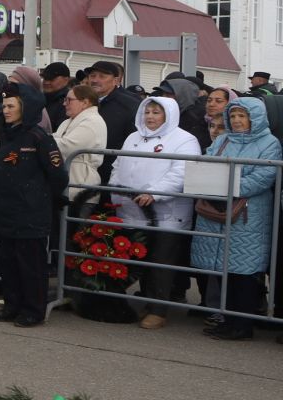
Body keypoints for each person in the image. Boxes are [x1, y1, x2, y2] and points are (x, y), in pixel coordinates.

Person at [188, 98, 282, 339]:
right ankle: (227, 319)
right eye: (233, 116)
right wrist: (218, 184)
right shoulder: (223, 139)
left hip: (248, 216)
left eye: (242, 116)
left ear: (255, 117)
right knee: (225, 272)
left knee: (245, 274)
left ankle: (242, 325)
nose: (237, 121)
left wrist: (223, 186)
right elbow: (207, 163)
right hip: (219, 211)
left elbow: (264, 176)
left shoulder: (269, 143)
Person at [113, 95, 200, 330]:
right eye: (147, 112)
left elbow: (181, 173)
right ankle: (149, 300)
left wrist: (154, 193)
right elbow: (118, 165)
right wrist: (115, 191)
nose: (150, 117)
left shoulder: (185, 140)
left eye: (156, 112)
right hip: (132, 210)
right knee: (142, 256)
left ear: (168, 115)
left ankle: (159, 309)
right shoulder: (133, 137)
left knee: (161, 260)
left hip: (167, 214)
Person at [0, 86, 67, 327]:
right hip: (6, 209)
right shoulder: (6, 134)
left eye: (11, 106)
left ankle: (33, 310)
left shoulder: (39, 138)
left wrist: (39, 197)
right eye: (4, 106)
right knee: (8, 262)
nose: (5, 110)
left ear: (25, 108)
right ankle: (12, 305)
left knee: (31, 265)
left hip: (31, 212)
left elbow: (58, 175)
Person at [85, 60, 142, 184]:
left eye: (102, 76)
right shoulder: (81, 101)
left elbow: (134, 140)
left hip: (112, 171)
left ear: (116, 81)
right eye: (92, 76)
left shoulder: (129, 105)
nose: (95, 80)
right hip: (85, 170)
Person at [53, 82, 108, 209]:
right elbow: (54, 141)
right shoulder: (68, 121)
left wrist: (41, 140)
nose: (64, 103)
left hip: (80, 185)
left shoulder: (92, 122)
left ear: (85, 102)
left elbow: (67, 147)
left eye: (69, 100)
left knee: (73, 227)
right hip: (68, 184)